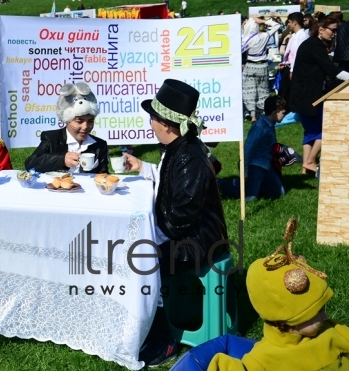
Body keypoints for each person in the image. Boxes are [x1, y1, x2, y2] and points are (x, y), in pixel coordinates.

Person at [123, 79, 228, 367]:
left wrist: (148, 233)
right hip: (187, 231)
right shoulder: (178, 148)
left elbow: (180, 217)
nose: (150, 123)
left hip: (200, 239)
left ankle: (162, 339)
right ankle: (141, 323)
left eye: (153, 118)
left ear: (167, 124)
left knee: (140, 261)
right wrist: (143, 168)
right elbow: (172, 187)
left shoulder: (188, 157)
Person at [209, 219, 349, 370]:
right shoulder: (264, 358)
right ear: (287, 320)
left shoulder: (330, 330)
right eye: (317, 312)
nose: (325, 316)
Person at [290, 17, 349, 175]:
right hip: (308, 95)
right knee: (325, 129)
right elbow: (331, 70)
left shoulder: (313, 44)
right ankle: (310, 161)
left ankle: (305, 167)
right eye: (333, 30)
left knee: (310, 132)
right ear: (321, 29)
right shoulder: (315, 45)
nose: (335, 34)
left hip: (302, 95)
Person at [25, 83, 108, 174]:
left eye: (90, 121)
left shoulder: (99, 145)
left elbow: (103, 174)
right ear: (67, 119)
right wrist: (62, 159)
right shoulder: (52, 139)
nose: (85, 127)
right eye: (79, 121)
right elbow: (31, 163)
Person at [220, 96, 288, 201]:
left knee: (280, 193)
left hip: (267, 165)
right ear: (275, 113)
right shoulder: (260, 126)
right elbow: (246, 150)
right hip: (255, 166)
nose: (284, 115)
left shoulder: (271, 124)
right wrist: (245, 173)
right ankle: (220, 184)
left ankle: (246, 185)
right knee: (250, 198)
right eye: (283, 113)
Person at [242, 17, 281, 121]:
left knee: (249, 90)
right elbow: (277, 26)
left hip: (250, 65)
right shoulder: (264, 36)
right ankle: (263, 113)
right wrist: (264, 21)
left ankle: (253, 115)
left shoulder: (245, 39)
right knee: (263, 90)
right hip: (262, 66)